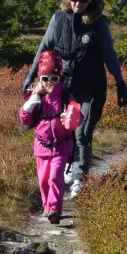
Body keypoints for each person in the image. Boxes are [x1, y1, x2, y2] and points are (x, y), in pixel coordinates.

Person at [23, 0, 127, 197]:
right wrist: (30, 77)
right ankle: (70, 165)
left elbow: (109, 55)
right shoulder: (59, 19)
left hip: (92, 88)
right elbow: (43, 49)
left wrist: (120, 83)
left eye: (82, 0)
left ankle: (79, 178)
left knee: (82, 131)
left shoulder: (99, 24)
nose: (77, 4)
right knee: (64, 129)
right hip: (65, 86)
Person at [19, 50, 81, 225]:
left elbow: (77, 115)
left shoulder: (65, 96)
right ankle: (47, 206)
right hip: (42, 146)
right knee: (44, 179)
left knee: (55, 176)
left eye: (53, 78)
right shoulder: (36, 96)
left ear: (59, 78)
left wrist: (70, 117)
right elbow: (25, 120)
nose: (49, 83)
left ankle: (55, 209)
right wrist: (28, 106)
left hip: (61, 146)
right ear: (40, 79)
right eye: (45, 78)